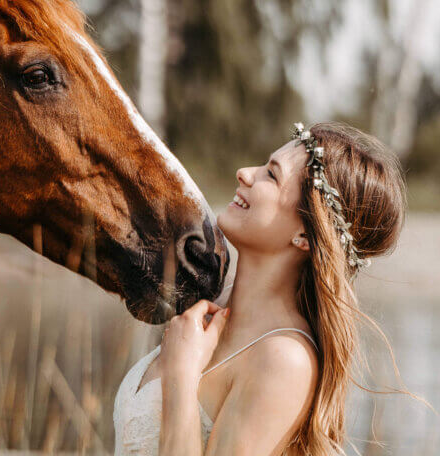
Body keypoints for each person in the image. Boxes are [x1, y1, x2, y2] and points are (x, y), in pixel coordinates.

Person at [113, 121, 407, 455]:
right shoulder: (208, 305)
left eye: (271, 174)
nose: (244, 173)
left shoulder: (284, 360)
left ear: (305, 235)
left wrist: (181, 375)